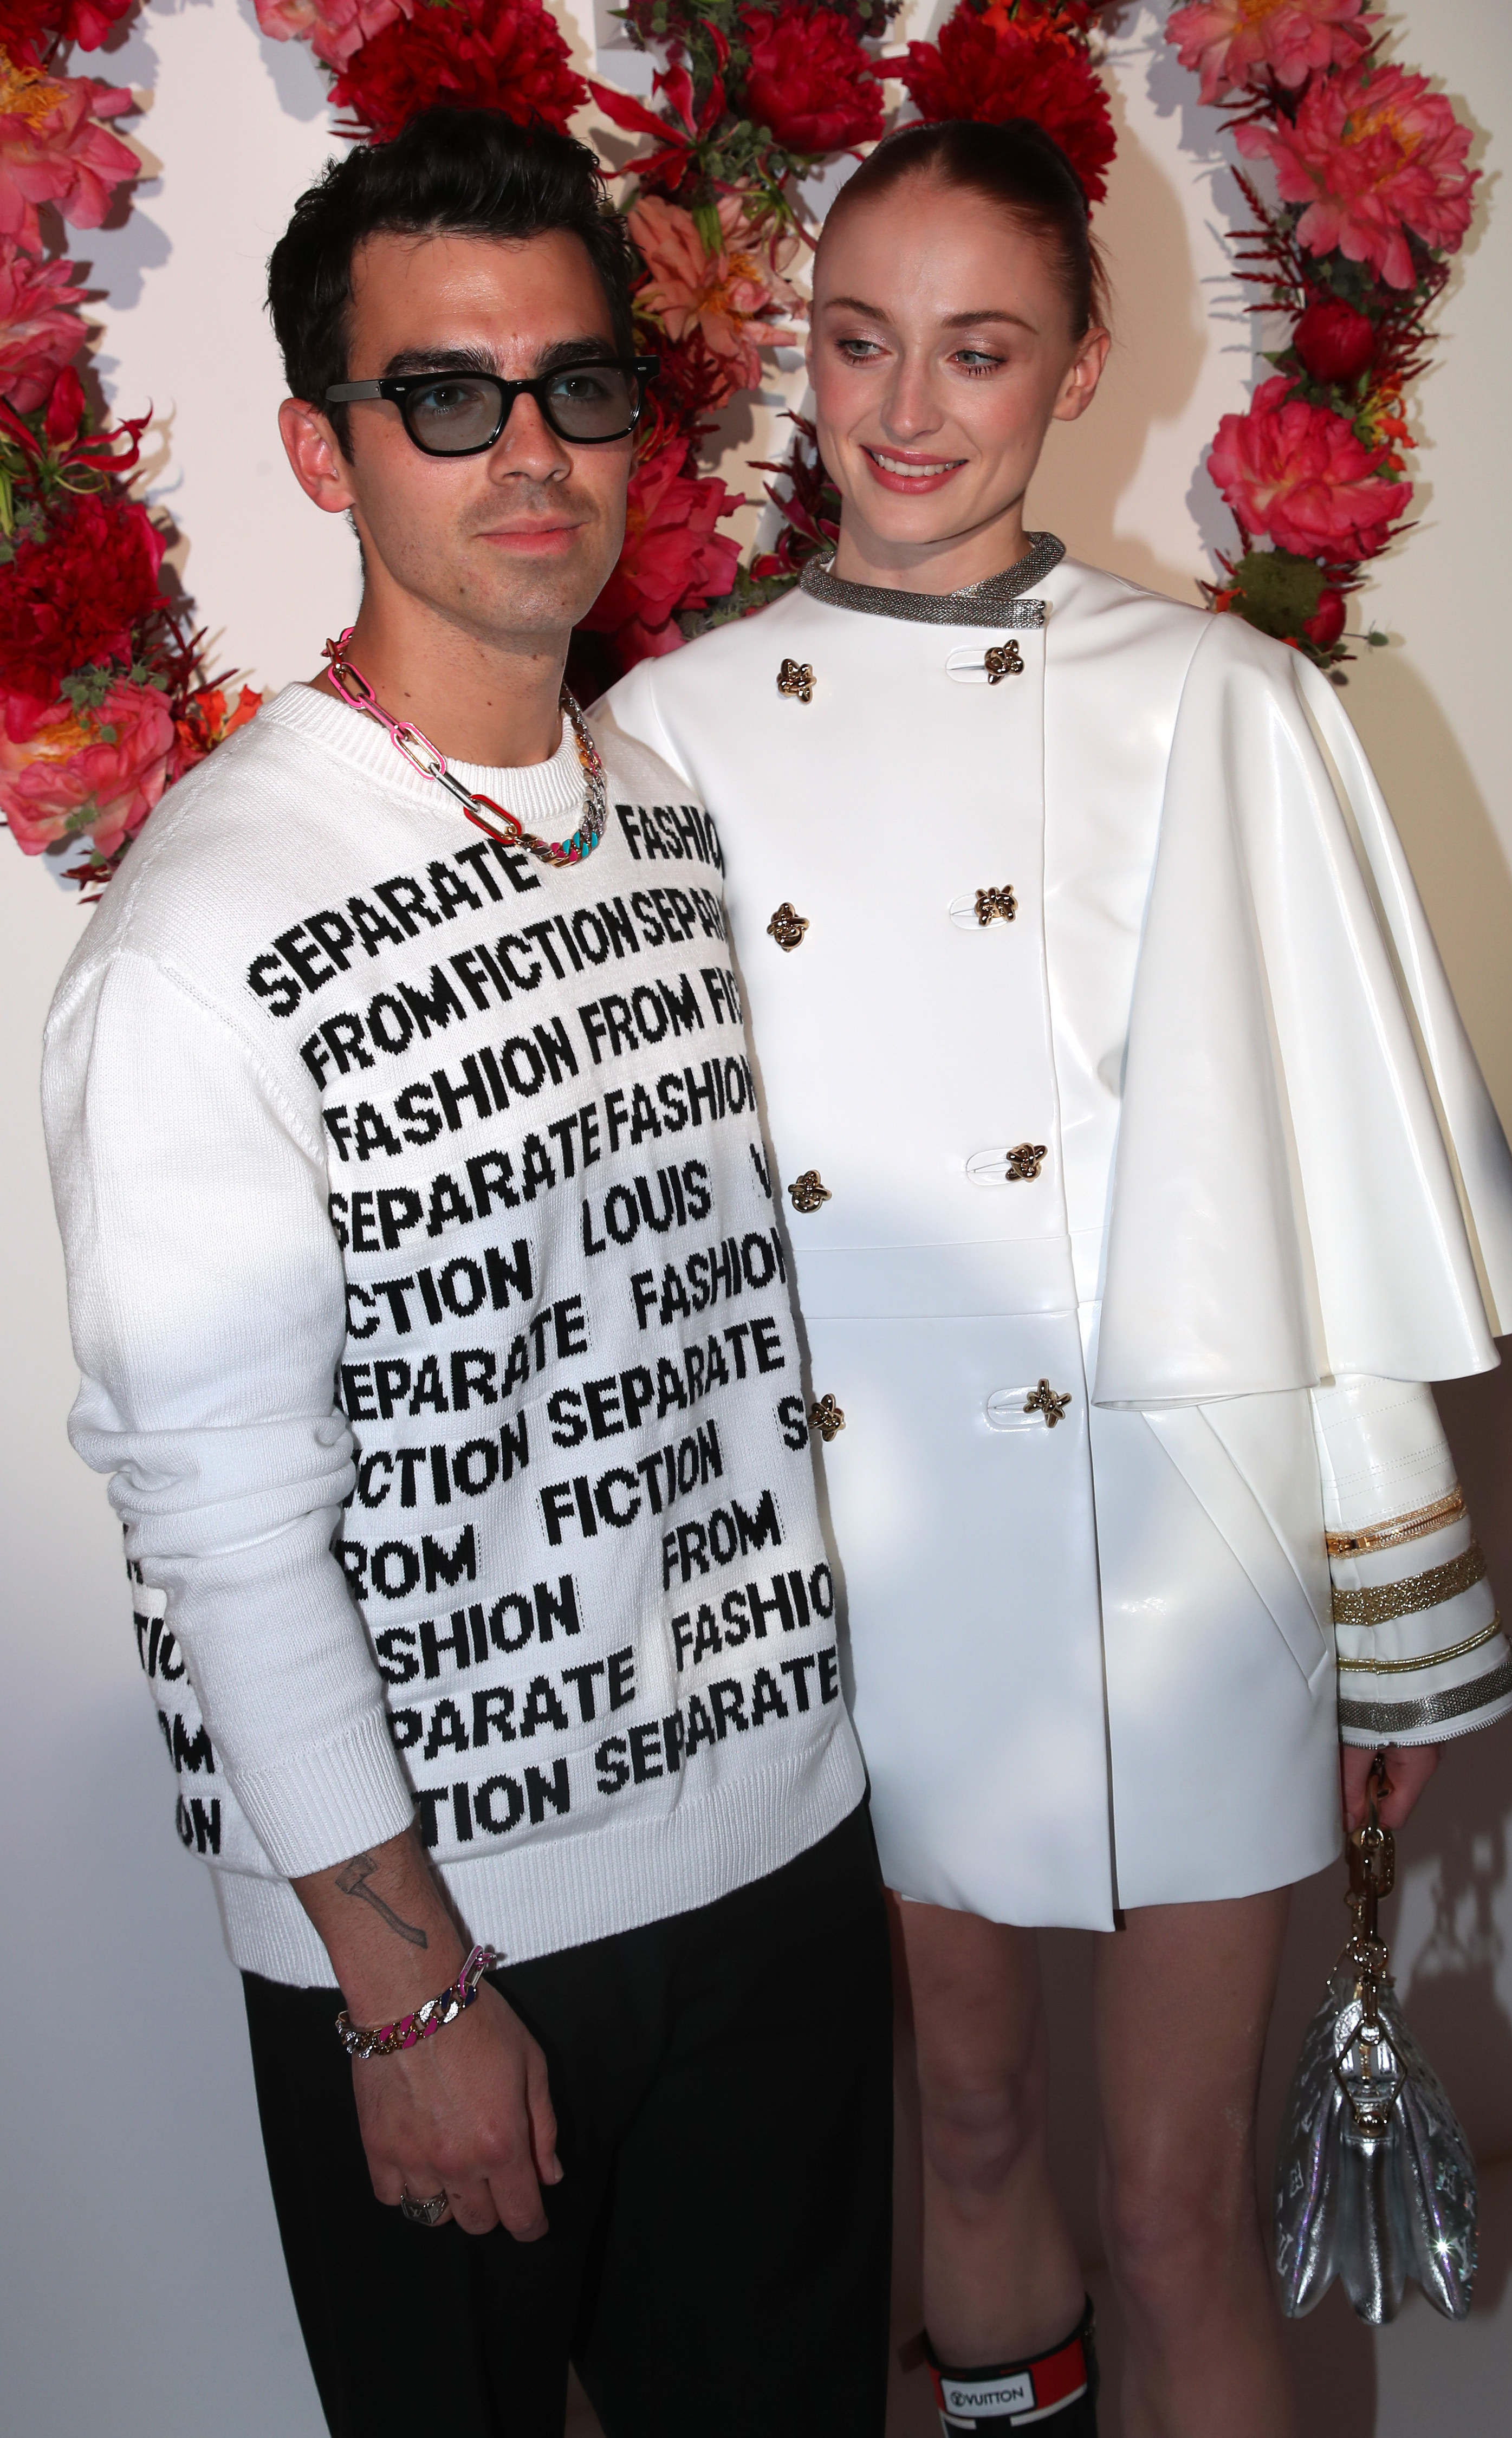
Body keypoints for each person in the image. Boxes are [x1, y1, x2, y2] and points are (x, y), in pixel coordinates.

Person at [598, 117, 1512, 2438]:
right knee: (963, 2113)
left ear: (1081, 368)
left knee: (1168, 2194)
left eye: (978, 349)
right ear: (797, 359)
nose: (906, 414)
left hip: (1188, 1542)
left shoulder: (1232, 708)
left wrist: (1390, 1613)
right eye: (856, 344)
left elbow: (1326, 1197)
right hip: (869, 1531)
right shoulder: (670, 735)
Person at [41, 109, 892, 2438]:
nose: (528, 450)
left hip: (780, 1855)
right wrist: (407, 2000)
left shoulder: (667, 814)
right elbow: (212, 1502)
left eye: (577, 384)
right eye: (446, 394)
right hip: (449, 1928)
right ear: (327, 449)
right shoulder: (209, 932)